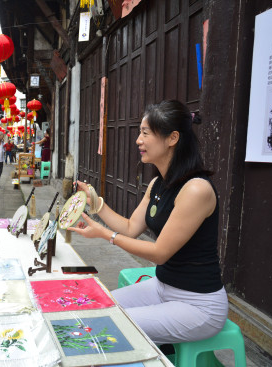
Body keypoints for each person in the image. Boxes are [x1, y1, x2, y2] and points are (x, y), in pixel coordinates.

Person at [69, 100, 228, 345]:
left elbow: (159, 253)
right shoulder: (158, 184)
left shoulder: (196, 190)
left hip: (199, 304)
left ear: (172, 138)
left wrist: (105, 235)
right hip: (162, 288)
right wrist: (94, 201)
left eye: (145, 133)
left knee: (106, 326)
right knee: (96, 306)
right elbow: (131, 228)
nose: (138, 141)